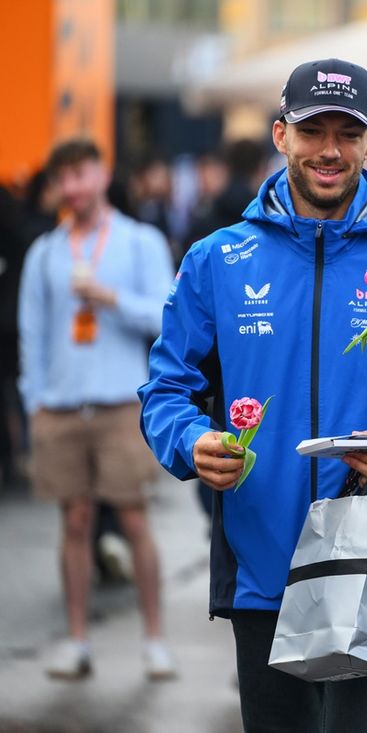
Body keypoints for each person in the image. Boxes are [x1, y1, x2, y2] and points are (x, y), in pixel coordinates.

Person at [138, 58, 367, 733]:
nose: (329, 149)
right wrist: (189, 442)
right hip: (259, 551)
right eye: (312, 130)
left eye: (347, 134)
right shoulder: (216, 259)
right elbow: (164, 389)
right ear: (280, 135)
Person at [17, 139, 177, 680]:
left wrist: (109, 297)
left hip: (121, 403)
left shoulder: (139, 241)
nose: (72, 188)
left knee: (134, 519)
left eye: (80, 175)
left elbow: (166, 314)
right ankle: (77, 639)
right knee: (75, 521)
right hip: (60, 408)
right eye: (62, 179)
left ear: (102, 174)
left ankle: (155, 640)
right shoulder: (46, 251)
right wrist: (34, 398)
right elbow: (31, 332)